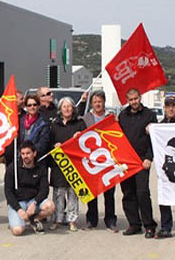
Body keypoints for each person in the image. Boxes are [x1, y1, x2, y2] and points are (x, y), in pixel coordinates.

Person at [118, 88, 158, 238]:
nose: (134, 102)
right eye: (131, 100)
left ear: (140, 98)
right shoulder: (123, 115)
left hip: (142, 160)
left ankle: (149, 225)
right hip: (126, 161)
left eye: (136, 99)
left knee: (142, 193)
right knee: (128, 193)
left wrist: (149, 157)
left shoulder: (149, 115)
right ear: (127, 100)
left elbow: (154, 139)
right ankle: (134, 224)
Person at [152, 96, 175, 242]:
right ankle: (166, 227)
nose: (171, 108)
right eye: (168, 106)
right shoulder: (160, 126)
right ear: (164, 108)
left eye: (173, 106)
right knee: (164, 197)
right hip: (165, 168)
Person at [83, 90, 118, 232]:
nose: (98, 104)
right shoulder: (85, 118)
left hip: (108, 161)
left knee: (109, 193)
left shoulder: (111, 118)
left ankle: (110, 220)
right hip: (91, 161)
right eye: (95, 102)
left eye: (100, 101)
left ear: (104, 102)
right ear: (91, 104)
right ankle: (91, 220)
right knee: (92, 192)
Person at [4, 140, 56, 236]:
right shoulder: (12, 168)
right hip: (18, 202)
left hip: (33, 201)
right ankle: (16, 220)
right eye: (23, 154)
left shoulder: (41, 168)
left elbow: (45, 189)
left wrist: (34, 203)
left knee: (51, 206)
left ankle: (34, 219)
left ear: (34, 153)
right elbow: (8, 192)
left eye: (28, 153)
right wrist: (19, 209)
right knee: (18, 231)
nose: (25, 156)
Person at [48, 97, 84, 232]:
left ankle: (72, 221)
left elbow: (87, 142)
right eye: (64, 107)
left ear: (73, 108)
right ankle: (57, 220)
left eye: (69, 106)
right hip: (59, 165)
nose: (67, 109)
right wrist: (54, 146)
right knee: (58, 194)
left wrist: (80, 136)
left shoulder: (79, 123)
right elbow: (49, 143)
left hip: (74, 165)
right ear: (60, 109)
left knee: (73, 195)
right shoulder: (55, 124)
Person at [18, 94, 50, 162]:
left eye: (34, 104)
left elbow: (43, 143)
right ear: (26, 107)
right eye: (29, 105)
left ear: (38, 106)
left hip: (36, 159)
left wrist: (30, 153)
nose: (32, 107)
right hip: (21, 159)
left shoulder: (43, 123)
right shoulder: (20, 121)